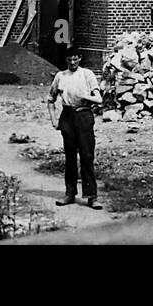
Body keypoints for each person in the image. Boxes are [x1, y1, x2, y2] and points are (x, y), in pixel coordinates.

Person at [47, 49, 103, 209]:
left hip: (84, 116)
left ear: (80, 59)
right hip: (67, 117)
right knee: (70, 158)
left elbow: (99, 99)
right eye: (69, 60)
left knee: (86, 156)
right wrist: (54, 120)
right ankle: (70, 193)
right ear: (66, 60)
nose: (72, 63)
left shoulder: (87, 75)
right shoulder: (60, 76)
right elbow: (50, 100)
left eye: (75, 59)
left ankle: (92, 196)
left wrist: (85, 97)